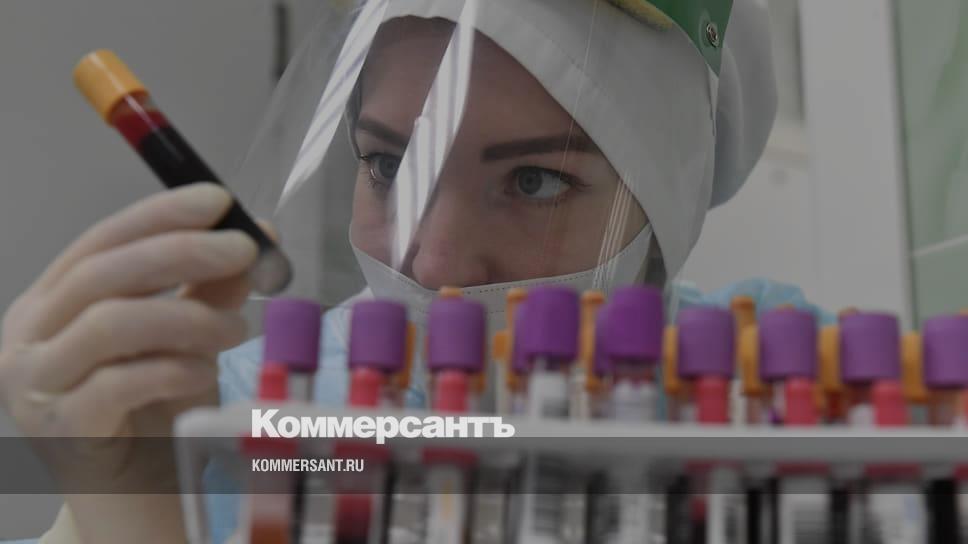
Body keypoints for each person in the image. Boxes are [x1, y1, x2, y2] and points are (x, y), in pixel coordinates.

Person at [0, 1, 831, 542]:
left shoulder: (785, 390)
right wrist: (131, 511)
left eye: (533, 182)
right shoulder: (240, 420)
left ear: (665, 205)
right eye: (390, 166)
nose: (431, 262)